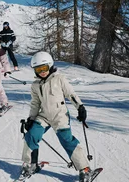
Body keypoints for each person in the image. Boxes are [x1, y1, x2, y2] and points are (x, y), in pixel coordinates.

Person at [20, 51, 91, 181]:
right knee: (31, 135)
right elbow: (35, 104)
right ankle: (31, 164)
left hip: (60, 115)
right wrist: (31, 118)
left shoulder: (59, 79)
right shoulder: (35, 85)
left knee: (67, 140)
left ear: (50, 66)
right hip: (44, 116)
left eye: (44, 68)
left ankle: (84, 169)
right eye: (38, 69)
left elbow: (71, 94)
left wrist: (80, 107)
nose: (42, 72)